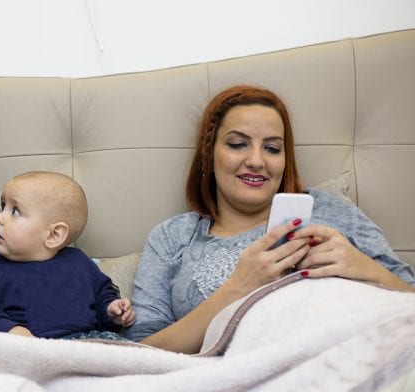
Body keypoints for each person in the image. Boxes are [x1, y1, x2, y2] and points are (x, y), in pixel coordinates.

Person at [124, 85, 415, 353]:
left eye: (272, 148)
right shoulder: (173, 236)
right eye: (238, 144)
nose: (256, 161)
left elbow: (408, 299)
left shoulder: (328, 209)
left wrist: (365, 268)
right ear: (209, 155)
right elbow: (141, 354)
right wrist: (238, 287)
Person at [0, 171, 135, 339]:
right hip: (29, 347)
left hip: (88, 342)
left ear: (53, 235)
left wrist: (112, 310)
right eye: (3, 206)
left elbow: (102, 293)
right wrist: (9, 329)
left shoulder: (79, 262)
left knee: (129, 352)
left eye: (16, 212)